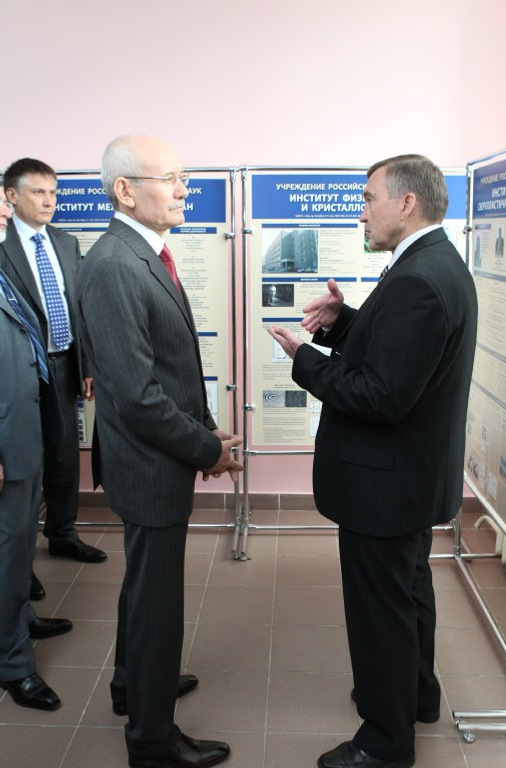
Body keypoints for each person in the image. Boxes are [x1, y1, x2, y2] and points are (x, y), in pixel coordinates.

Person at [269, 154, 478, 768]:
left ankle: (385, 743)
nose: (361, 212)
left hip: (384, 482)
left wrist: (306, 360)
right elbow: (402, 350)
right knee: (407, 591)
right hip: (409, 476)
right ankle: (415, 696)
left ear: (405, 203)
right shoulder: (434, 263)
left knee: (379, 612)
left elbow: (381, 395)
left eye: (367, 199)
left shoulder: (418, 278)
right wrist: (343, 324)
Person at [77, 135, 242, 768]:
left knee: (146, 587)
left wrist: (205, 431)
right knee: (157, 602)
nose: (183, 190)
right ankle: (152, 740)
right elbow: (138, 397)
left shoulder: (143, 253)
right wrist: (205, 448)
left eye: (183, 178)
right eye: (170, 179)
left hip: (156, 456)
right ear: (125, 190)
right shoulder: (116, 265)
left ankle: (134, 683)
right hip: (148, 464)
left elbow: (171, 366)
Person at [0, 158, 106, 602]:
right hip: (20, 370)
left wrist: (86, 365)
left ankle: (62, 534)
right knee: (27, 464)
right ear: (11, 196)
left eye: (53, 193)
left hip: (63, 365)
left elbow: (78, 308)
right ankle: (19, 564)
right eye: (38, 192)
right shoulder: (2, 244)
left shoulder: (65, 242)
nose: (49, 201)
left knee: (64, 456)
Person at [0, 186, 73, 712]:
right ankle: (13, 664)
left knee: (21, 543)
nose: (5, 215)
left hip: (22, 432)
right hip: (5, 444)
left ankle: (19, 617)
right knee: (7, 551)